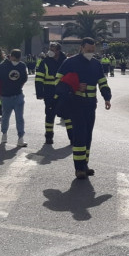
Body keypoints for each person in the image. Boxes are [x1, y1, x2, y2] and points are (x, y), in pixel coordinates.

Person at [54, 37, 111, 180]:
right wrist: (75, 86)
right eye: (88, 50)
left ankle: (85, 164)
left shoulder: (96, 64)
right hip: (75, 102)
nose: (91, 52)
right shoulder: (70, 62)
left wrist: (107, 97)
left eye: (93, 50)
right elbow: (58, 82)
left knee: (88, 136)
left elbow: (102, 82)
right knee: (80, 134)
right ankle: (78, 168)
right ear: (81, 48)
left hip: (91, 104)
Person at [0, 49, 29, 147]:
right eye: (16, 58)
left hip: (17, 94)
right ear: (11, 56)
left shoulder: (21, 65)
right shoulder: (3, 65)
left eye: (18, 59)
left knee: (19, 117)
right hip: (6, 96)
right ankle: (4, 134)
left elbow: (24, 78)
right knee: (6, 116)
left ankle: (20, 138)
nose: (17, 61)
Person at [35, 42, 66, 145]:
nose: (50, 51)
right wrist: (39, 93)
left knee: (68, 115)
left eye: (53, 49)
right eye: (50, 49)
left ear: (58, 51)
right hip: (49, 92)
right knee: (49, 115)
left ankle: (72, 138)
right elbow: (39, 78)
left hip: (63, 92)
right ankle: (48, 137)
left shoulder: (65, 61)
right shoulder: (45, 62)